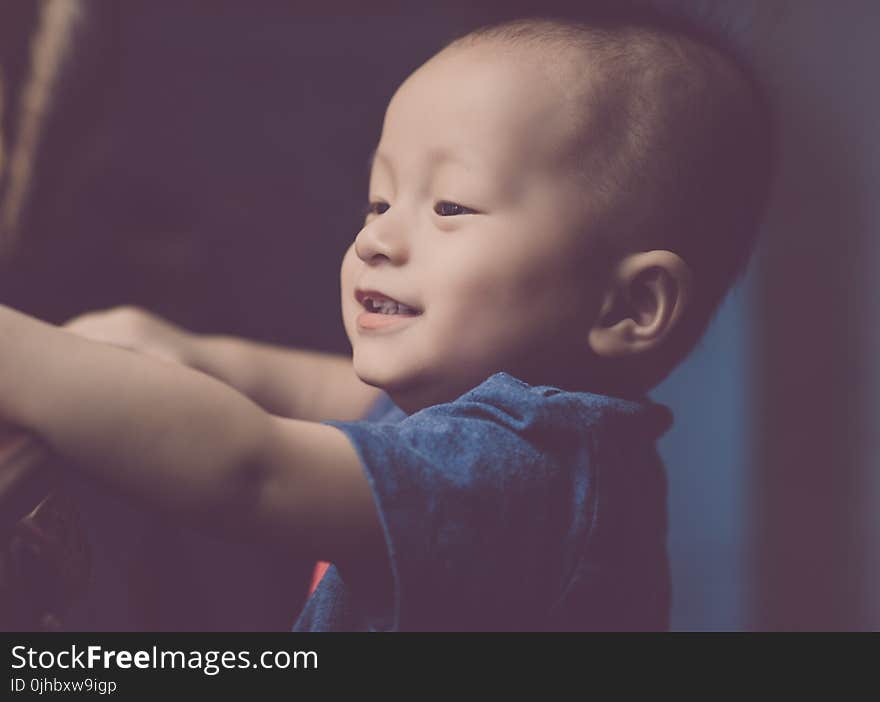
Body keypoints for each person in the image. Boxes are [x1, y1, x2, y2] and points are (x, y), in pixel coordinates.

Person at [0, 8, 774, 631]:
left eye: (450, 206)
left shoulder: (515, 476)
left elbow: (249, 469)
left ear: (628, 306)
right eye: (379, 200)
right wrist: (206, 355)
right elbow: (341, 394)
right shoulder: (534, 431)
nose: (376, 238)